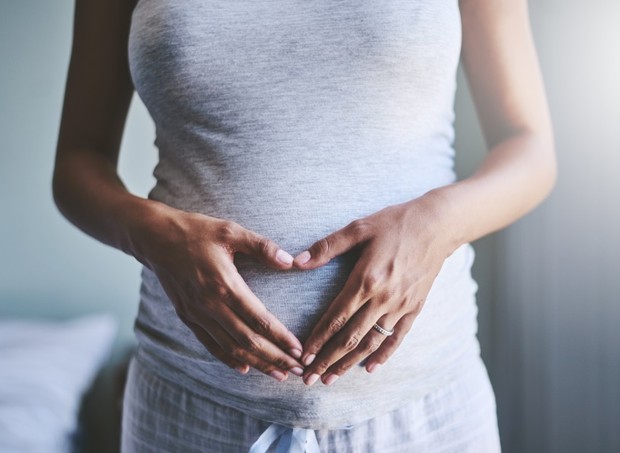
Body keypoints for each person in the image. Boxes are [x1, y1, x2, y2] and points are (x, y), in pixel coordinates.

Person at [53, 0, 556, 451]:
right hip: (191, 405)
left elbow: (529, 147)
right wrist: (153, 234)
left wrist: (436, 224)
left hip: (424, 409)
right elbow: (78, 161)